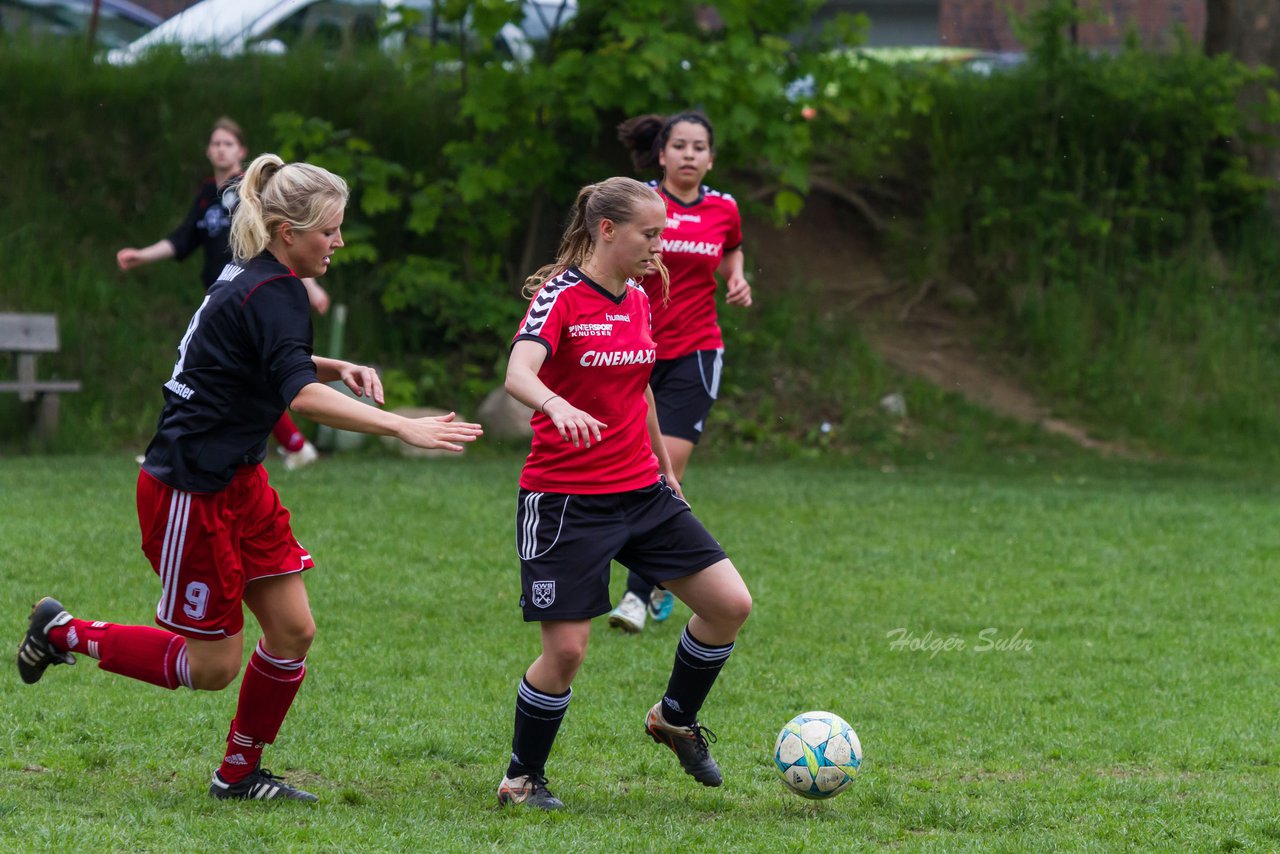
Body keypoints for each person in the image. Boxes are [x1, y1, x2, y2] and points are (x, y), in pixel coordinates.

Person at [18, 153, 483, 802]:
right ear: (289, 232)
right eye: (330, 230)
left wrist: (329, 363)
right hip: (190, 489)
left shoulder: (258, 276)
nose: (339, 242)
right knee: (210, 668)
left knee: (293, 630)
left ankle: (237, 774)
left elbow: (262, 352)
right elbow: (300, 398)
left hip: (239, 483)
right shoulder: (273, 289)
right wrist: (402, 426)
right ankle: (62, 631)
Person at [496, 177, 752, 809]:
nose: (660, 246)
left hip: (642, 491)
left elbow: (640, 390)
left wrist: (668, 470)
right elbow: (518, 373)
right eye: (650, 234)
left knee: (728, 604)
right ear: (607, 230)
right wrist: (556, 405)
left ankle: (673, 718)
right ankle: (521, 778)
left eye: (663, 233)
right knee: (567, 652)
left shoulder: (637, 297)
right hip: (566, 501)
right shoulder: (560, 299)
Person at [607, 111, 752, 634]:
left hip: (696, 352)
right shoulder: (644, 206)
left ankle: (634, 596)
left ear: (711, 158)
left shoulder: (724, 208)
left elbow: (731, 248)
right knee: (633, 464)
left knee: (663, 469)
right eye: (680, 146)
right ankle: (663, 577)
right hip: (632, 350)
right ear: (662, 154)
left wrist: (737, 278)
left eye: (700, 147)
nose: (690, 154)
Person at [116, 117, 328, 470]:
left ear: (242, 151)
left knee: (235, 369)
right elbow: (183, 238)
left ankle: (182, 444)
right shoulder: (206, 194)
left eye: (228, 143)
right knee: (236, 371)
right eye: (215, 143)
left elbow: (286, 243)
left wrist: (312, 285)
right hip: (224, 300)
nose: (220, 149)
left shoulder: (253, 193)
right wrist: (142, 255)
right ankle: (291, 446)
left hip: (251, 299)